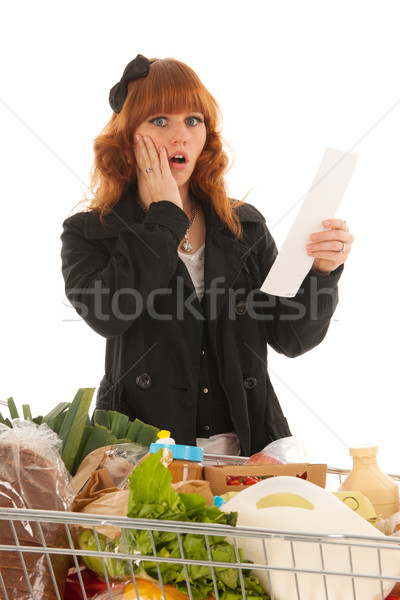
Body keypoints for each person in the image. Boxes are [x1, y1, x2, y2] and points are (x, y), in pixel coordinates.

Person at [61, 55, 354, 456]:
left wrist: (322, 273)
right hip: (142, 453)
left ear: (206, 136)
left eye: (193, 120)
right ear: (129, 134)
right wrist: (163, 216)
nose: (179, 136)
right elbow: (108, 313)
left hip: (249, 448)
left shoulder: (242, 225)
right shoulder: (90, 231)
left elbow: (291, 337)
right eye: (159, 120)